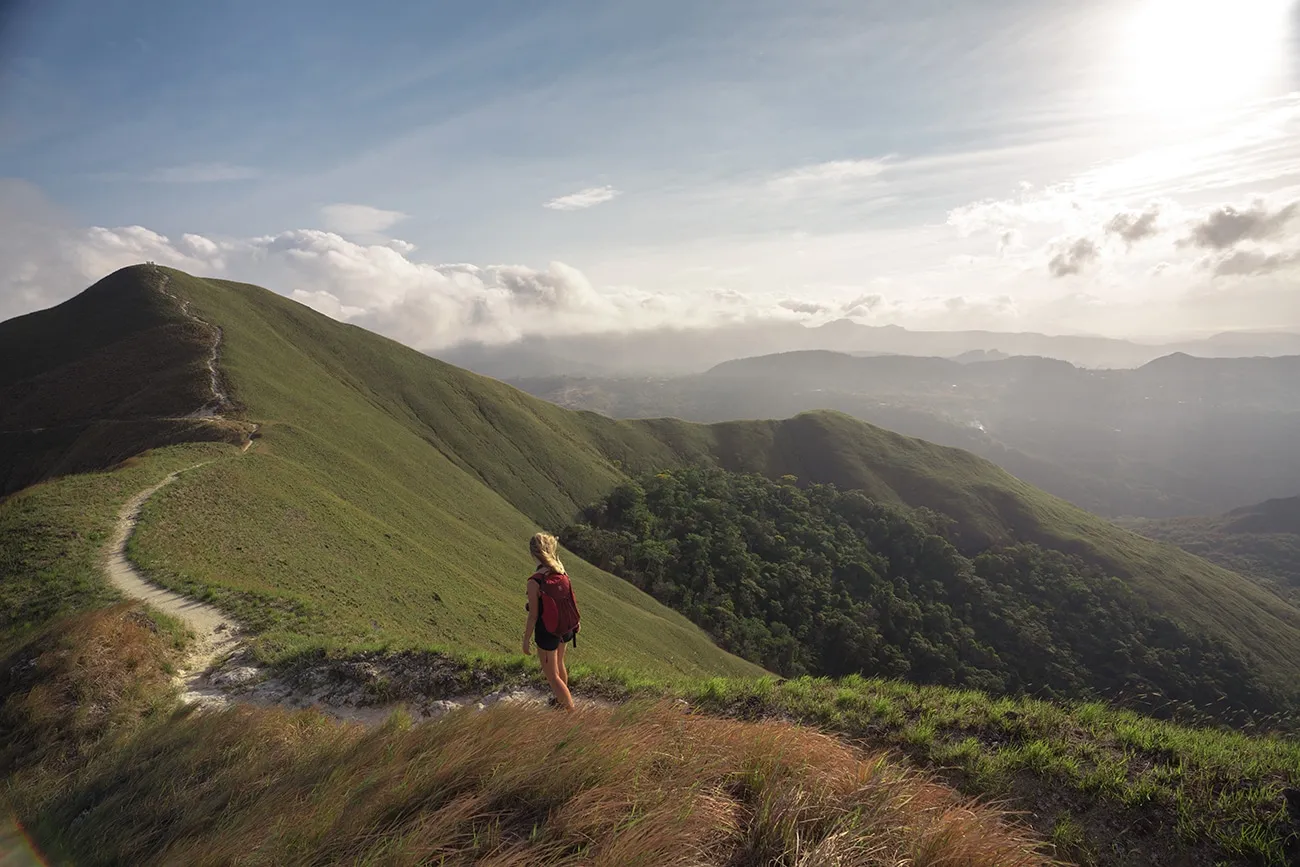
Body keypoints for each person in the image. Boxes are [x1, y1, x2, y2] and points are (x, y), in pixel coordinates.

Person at [521, 532, 577, 711]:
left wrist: (526, 640)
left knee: (552, 676)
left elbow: (533, 615)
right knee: (559, 663)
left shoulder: (535, 581)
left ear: (532, 553)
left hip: (548, 631)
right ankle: (561, 701)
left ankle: (569, 711)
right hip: (565, 627)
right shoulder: (560, 570)